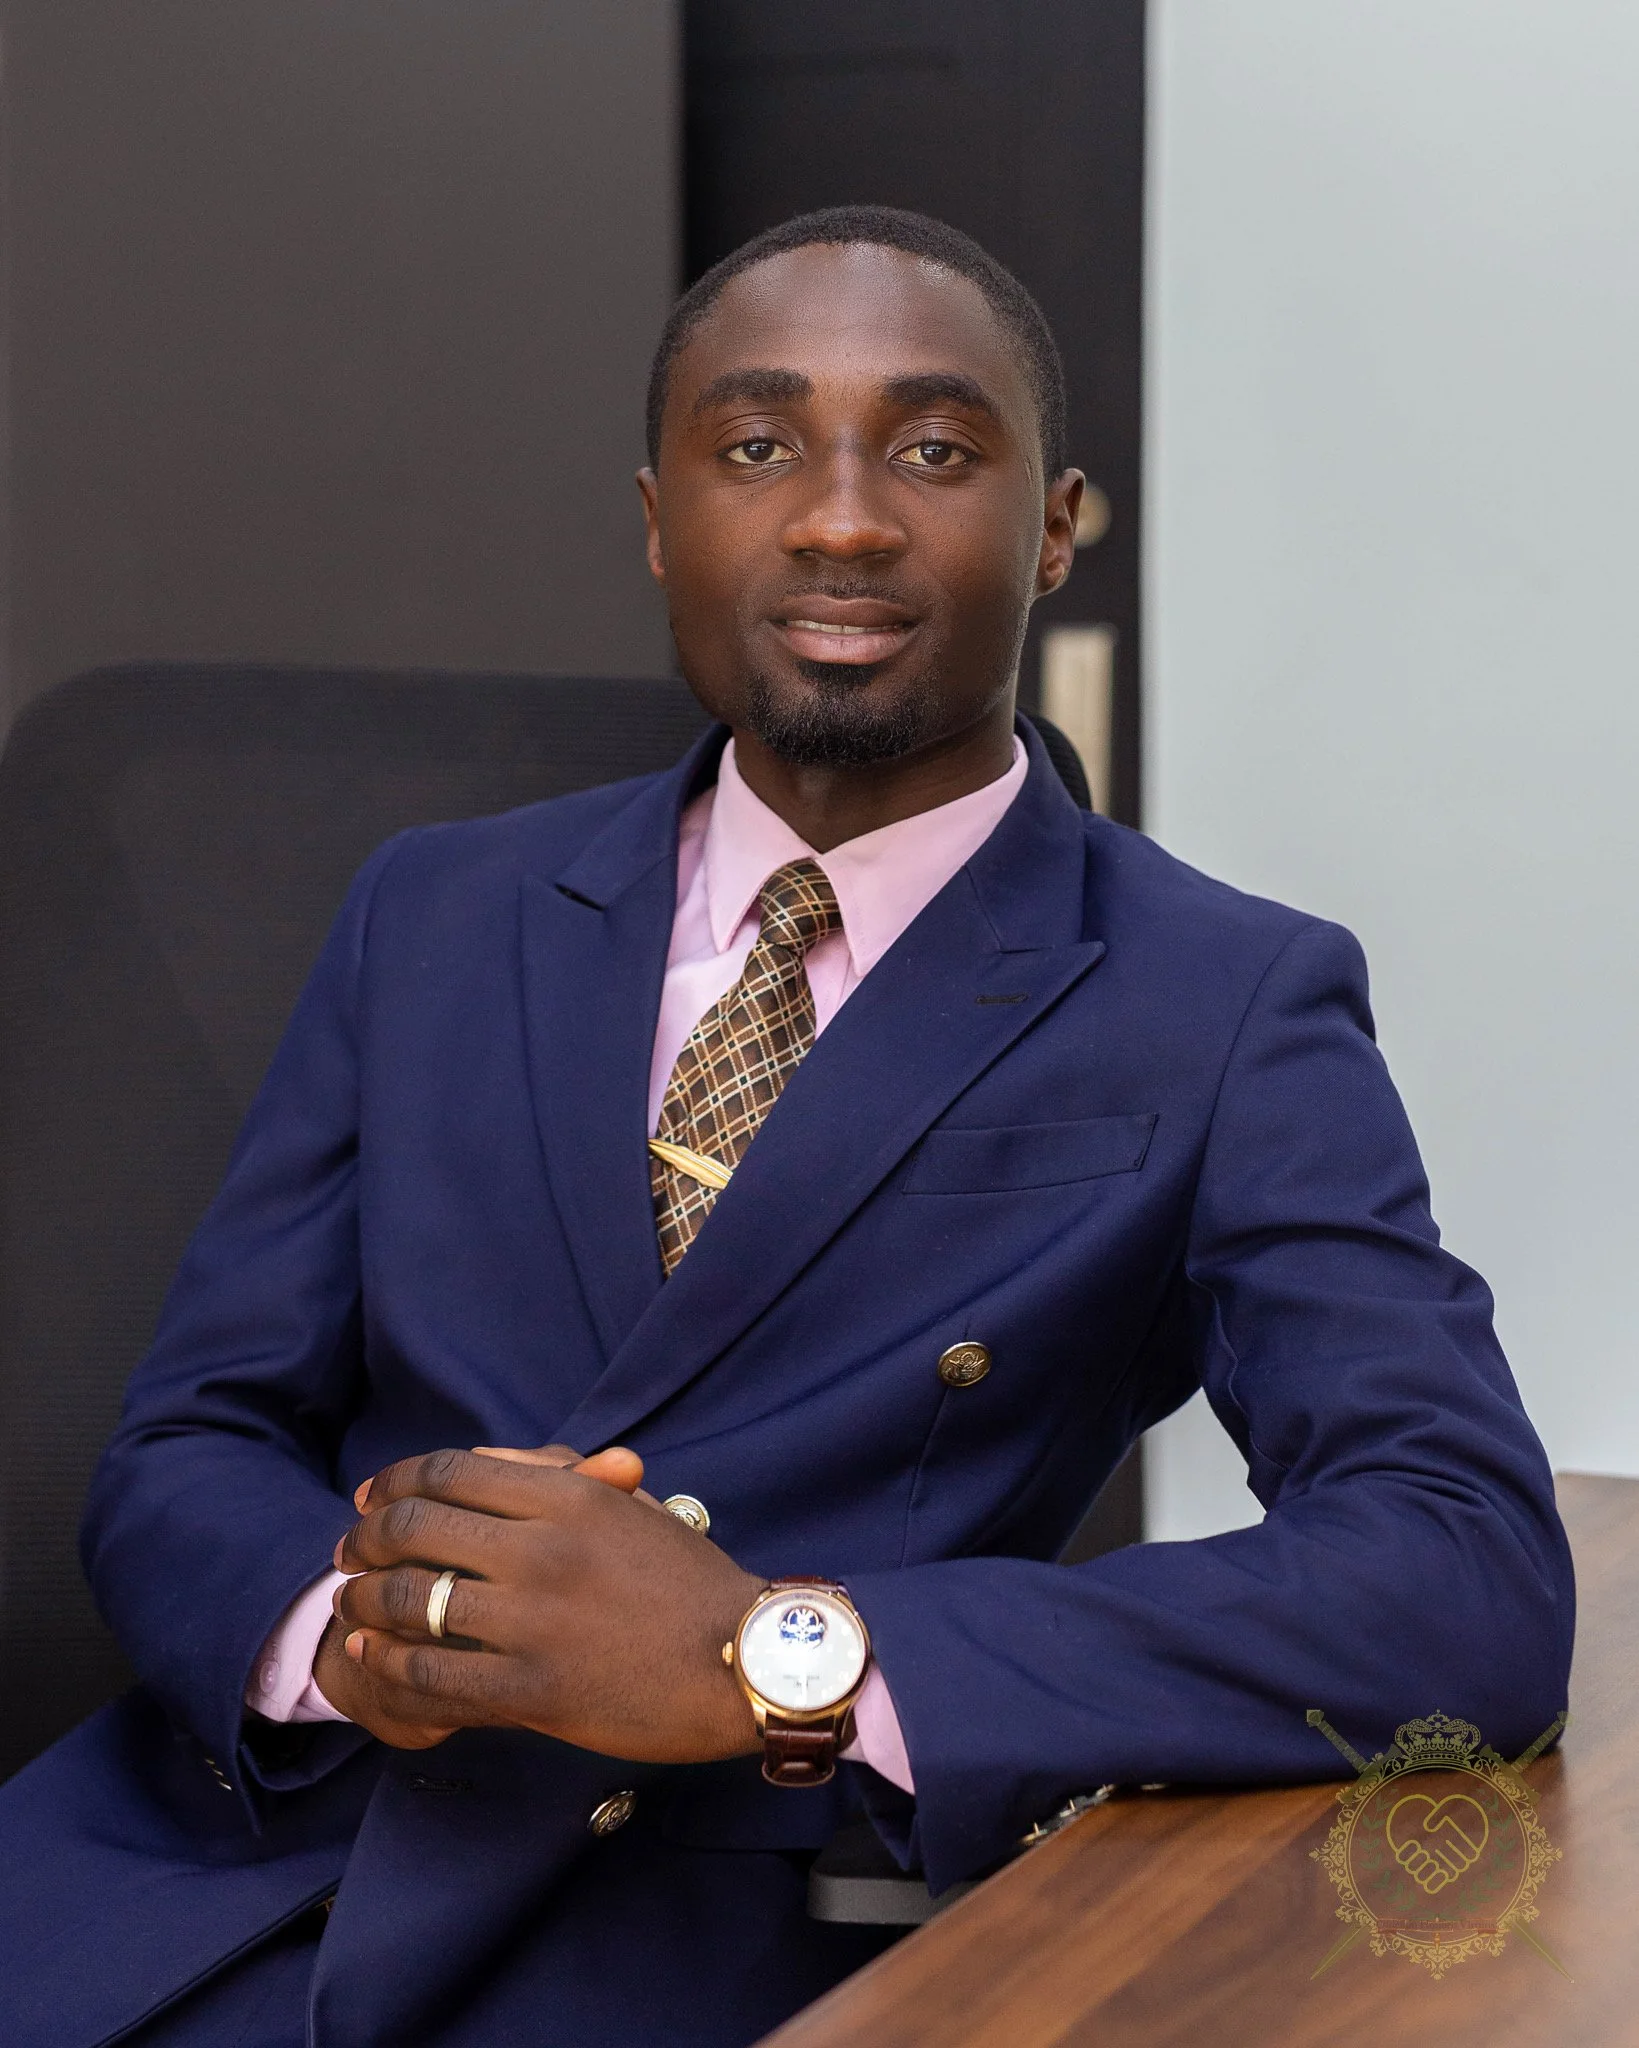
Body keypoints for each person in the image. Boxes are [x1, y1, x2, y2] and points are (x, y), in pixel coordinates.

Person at [0, 207, 1572, 2048]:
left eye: (930, 447)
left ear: (1051, 522)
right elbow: (195, 1434)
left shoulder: (1223, 1001)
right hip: (198, 1874)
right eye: (758, 448)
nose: (839, 516)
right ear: (661, 516)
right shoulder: (433, 908)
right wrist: (340, 1637)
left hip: (709, 1941)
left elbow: (1458, 1574)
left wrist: (769, 1654)